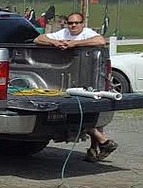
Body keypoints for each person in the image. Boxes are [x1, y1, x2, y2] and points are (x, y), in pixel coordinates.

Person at [32, 12, 118, 161]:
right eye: (70, 23)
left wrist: (74, 44)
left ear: (82, 24)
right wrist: (56, 43)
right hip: (72, 80)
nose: (73, 26)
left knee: (89, 116)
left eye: (76, 23)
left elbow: (100, 41)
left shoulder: (88, 33)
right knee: (85, 116)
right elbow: (38, 38)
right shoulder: (63, 33)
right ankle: (98, 147)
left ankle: (100, 144)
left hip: (92, 79)